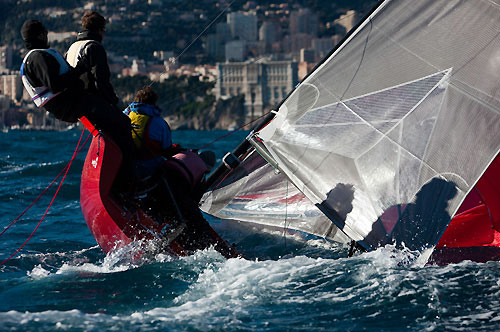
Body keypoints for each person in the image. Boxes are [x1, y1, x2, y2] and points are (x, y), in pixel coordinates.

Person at [20, 19, 135, 191]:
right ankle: (130, 182)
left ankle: (118, 179)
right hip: (74, 104)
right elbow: (56, 84)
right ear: (40, 34)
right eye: (45, 32)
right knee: (123, 124)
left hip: (73, 103)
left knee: (112, 132)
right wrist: (81, 68)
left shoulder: (34, 57)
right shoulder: (37, 57)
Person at [124, 86, 238, 258]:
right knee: (186, 216)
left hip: (129, 172)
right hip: (152, 176)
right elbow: (166, 149)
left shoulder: (124, 116)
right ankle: (185, 243)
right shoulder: (160, 123)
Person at [66, 11, 119, 107]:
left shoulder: (72, 48)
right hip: (90, 103)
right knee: (124, 121)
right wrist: (113, 100)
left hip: (73, 102)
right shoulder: (94, 47)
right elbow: (101, 79)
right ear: (99, 30)